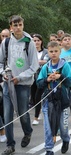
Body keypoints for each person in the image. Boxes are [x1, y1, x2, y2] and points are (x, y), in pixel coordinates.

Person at [0, 15, 39, 154]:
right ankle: (10, 145)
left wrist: (20, 78)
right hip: (8, 84)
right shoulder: (6, 42)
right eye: (14, 25)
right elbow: (1, 62)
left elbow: (34, 67)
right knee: (7, 114)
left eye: (20, 24)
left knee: (23, 113)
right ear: (11, 26)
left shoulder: (29, 42)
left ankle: (27, 132)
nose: (17, 27)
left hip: (23, 84)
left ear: (23, 25)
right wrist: (3, 73)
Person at [37, 41, 71, 155]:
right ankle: (49, 148)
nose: (53, 54)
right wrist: (47, 80)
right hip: (48, 100)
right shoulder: (46, 67)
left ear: (60, 51)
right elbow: (38, 83)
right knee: (48, 126)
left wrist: (60, 76)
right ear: (48, 52)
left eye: (56, 51)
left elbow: (70, 82)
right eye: (51, 51)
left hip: (62, 100)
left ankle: (65, 139)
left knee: (63, 126)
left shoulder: (65, 65)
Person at [31, 34, 49, 125]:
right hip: (32, 77)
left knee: (38, 96)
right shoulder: (30, 51)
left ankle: (36, 117)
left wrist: (35, 63)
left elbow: (46, 61)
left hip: (42, 77)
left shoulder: (46, 51)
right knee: (34, 97)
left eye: (38, 40)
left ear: (41, 41)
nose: (36, 42)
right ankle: (39, 110)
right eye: (34, 41)